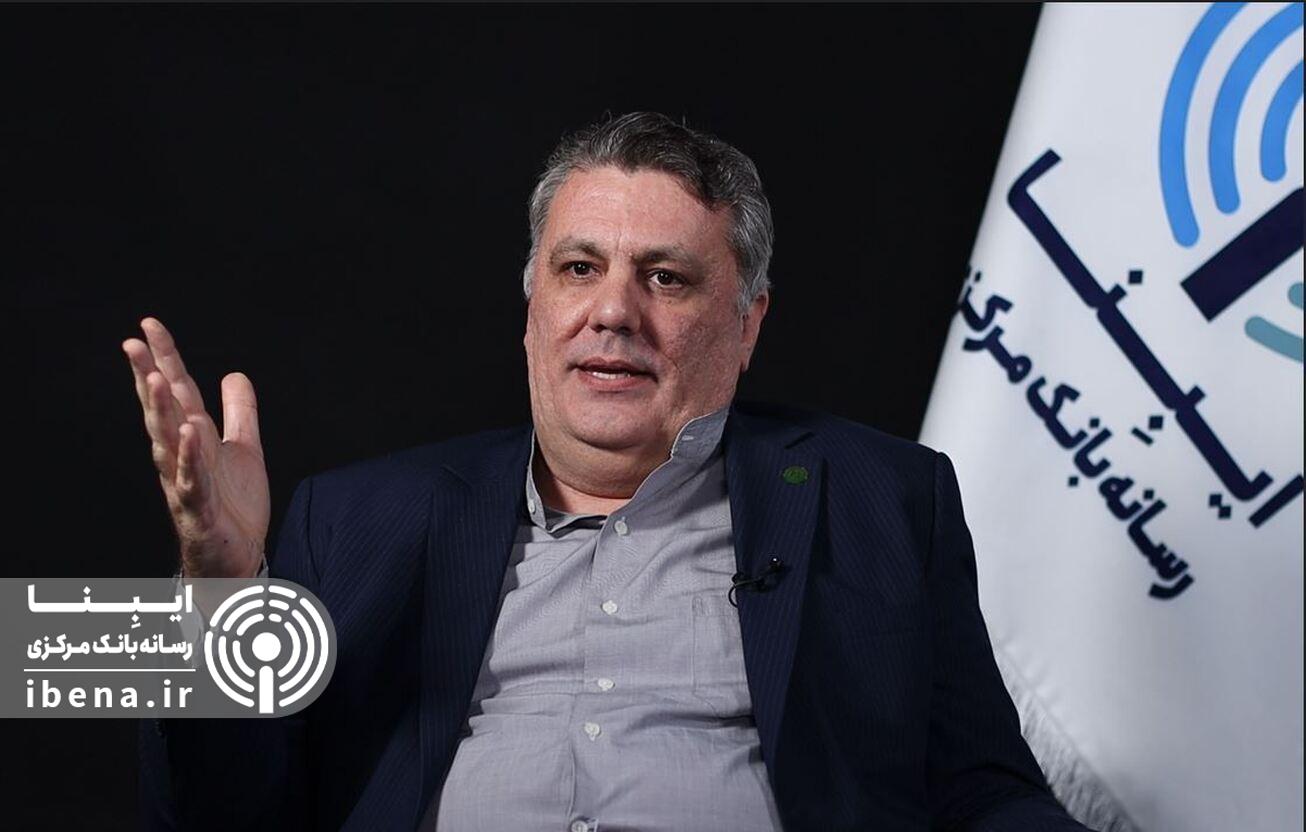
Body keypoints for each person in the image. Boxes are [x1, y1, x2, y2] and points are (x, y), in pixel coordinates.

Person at [131, 112, 1090, 831]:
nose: (614, 312)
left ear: (747, 324)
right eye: (579, 269)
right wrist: (218, 588)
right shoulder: (351, 518)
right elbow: (213, 811)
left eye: (665, 278)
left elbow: (983, 794)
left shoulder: (883, 497)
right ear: (532, 307)